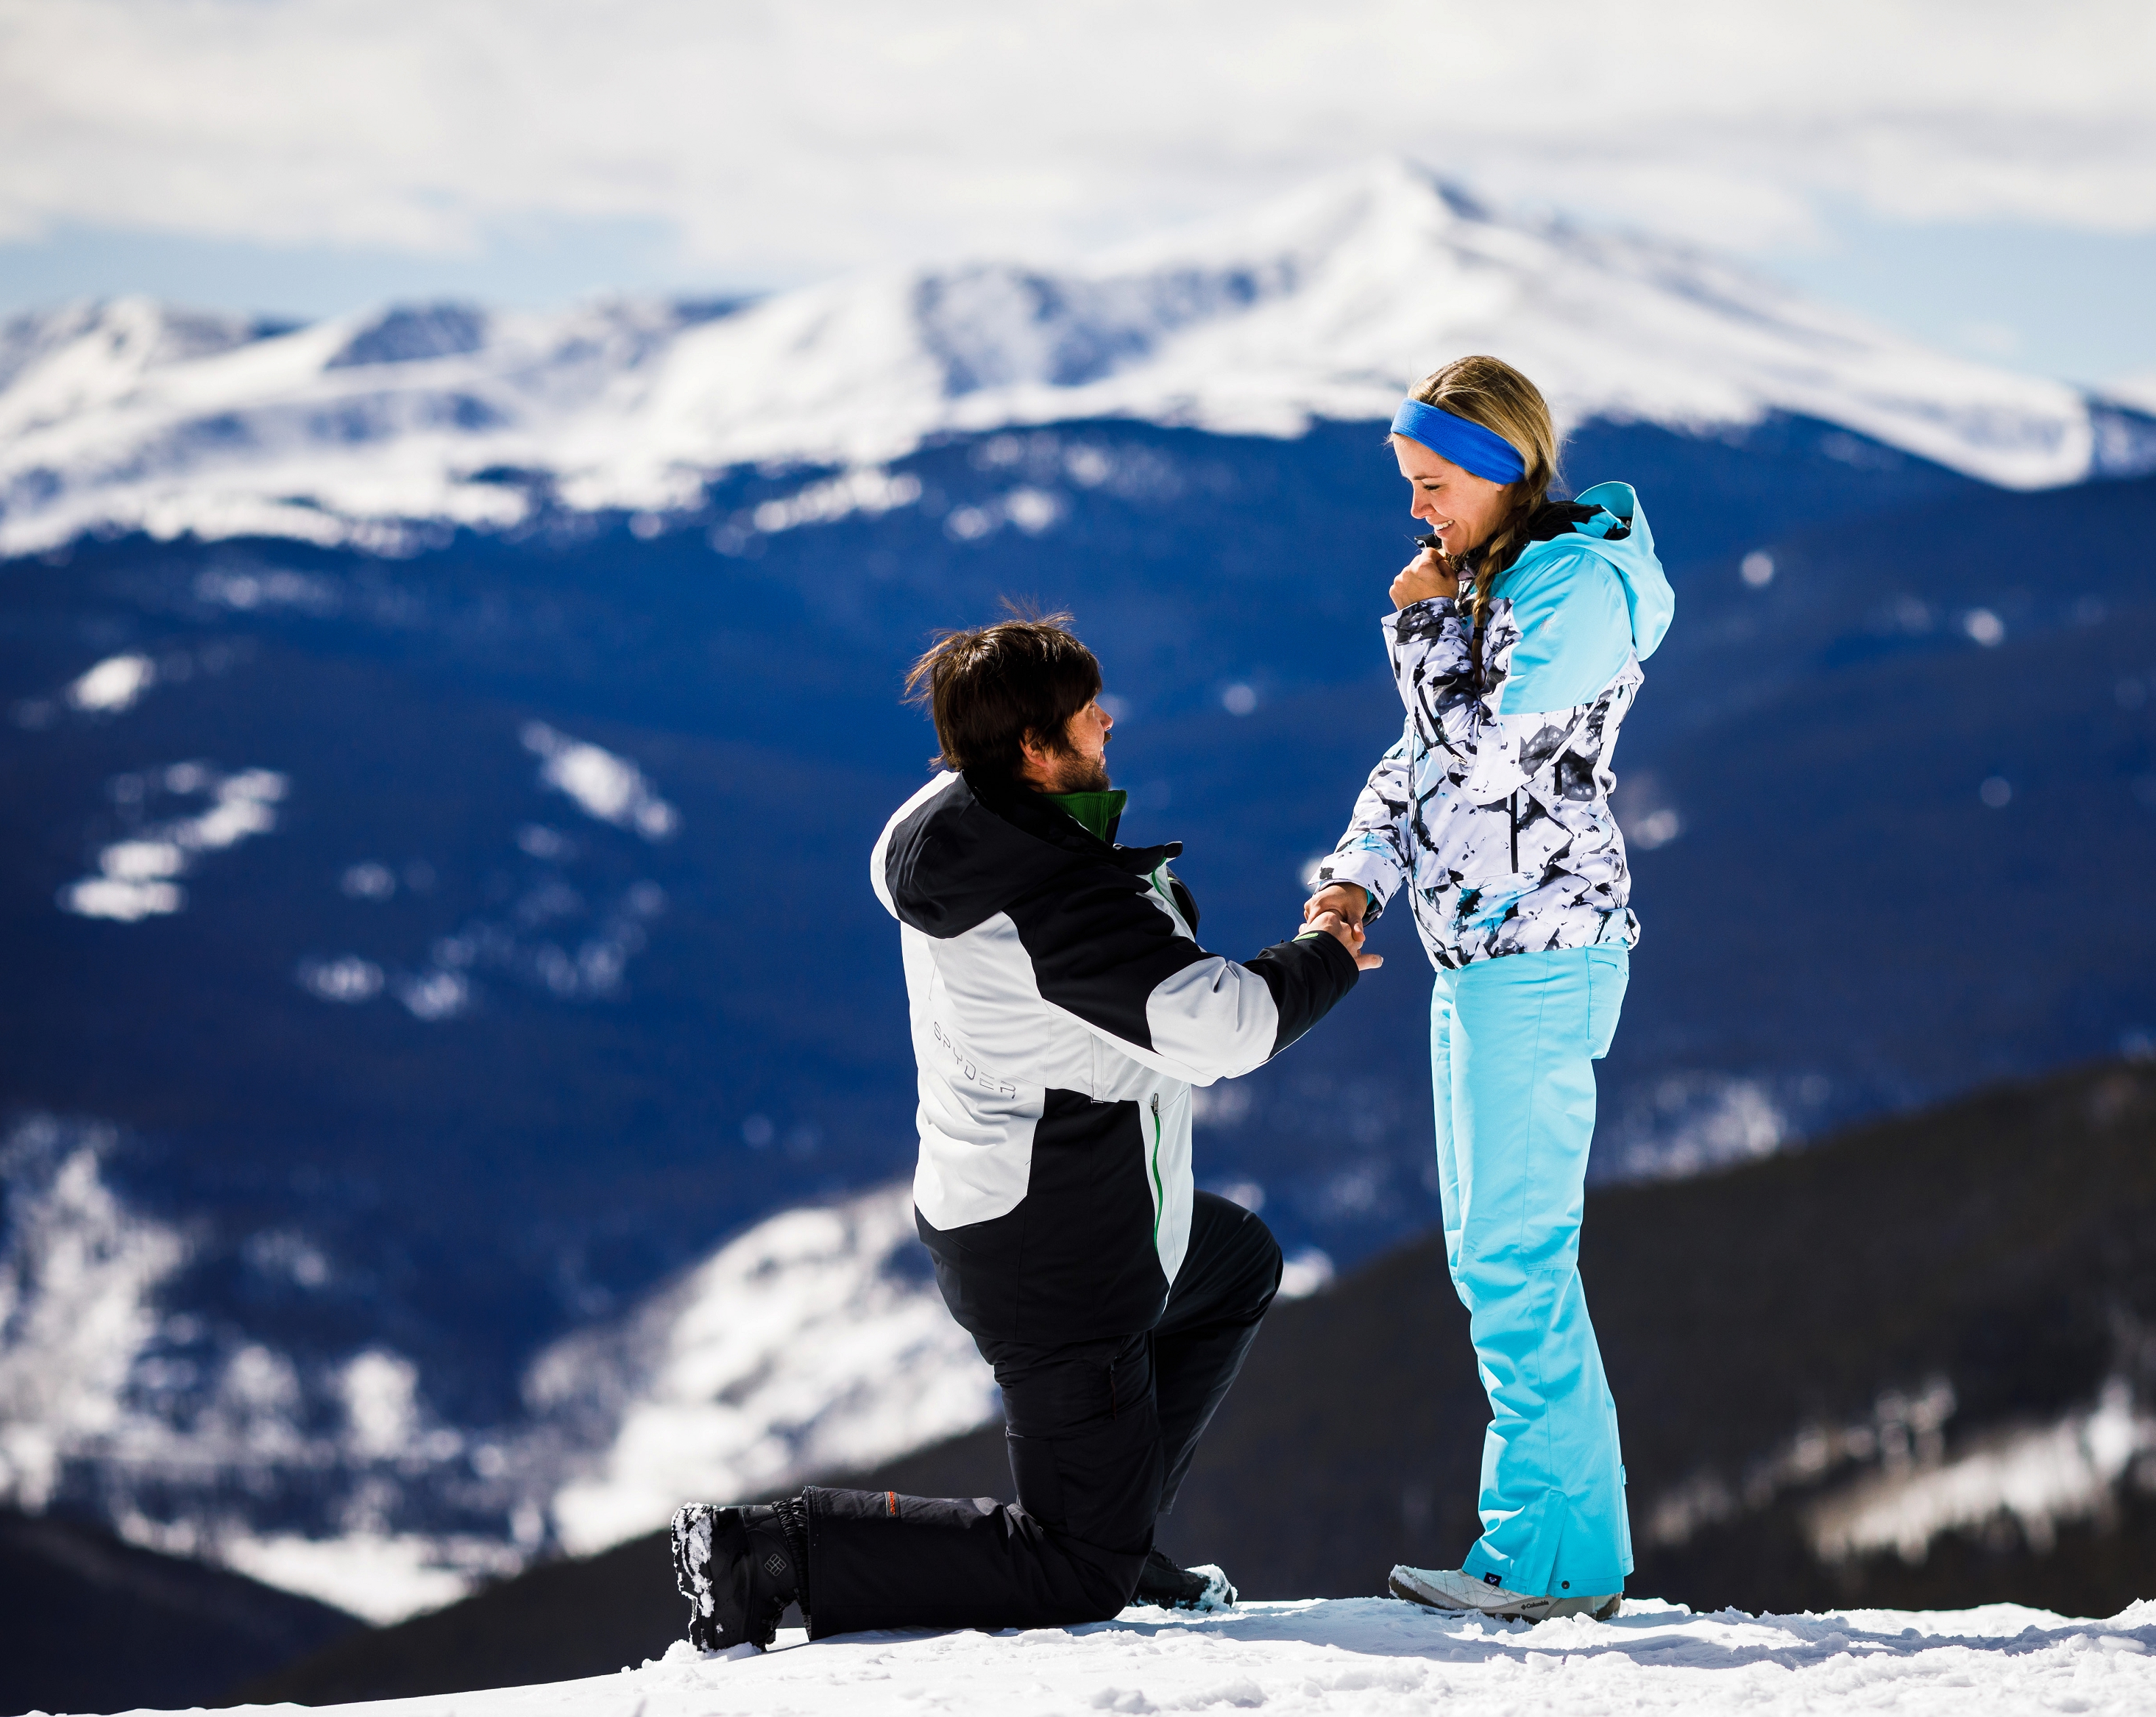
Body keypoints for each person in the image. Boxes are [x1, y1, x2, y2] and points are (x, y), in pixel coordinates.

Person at [671, 614, 1376, 1646]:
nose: (1106, 718)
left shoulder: (963, 820)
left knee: (1235, 1264)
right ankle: (768, 1552)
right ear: (1033, 752)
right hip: (1060, 1256)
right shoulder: (1047, 902)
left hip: (1052, 1208)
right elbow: (1222, 1023)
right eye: (1083, 712)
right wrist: (1322, 949)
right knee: (1072, 1570)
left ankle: (1122, 1532)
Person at [1305, 355, 1674, 1623]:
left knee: (1517, 1259)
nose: (1419, 510)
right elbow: (1420, 761)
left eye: (1435, 483)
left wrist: (1415, 621)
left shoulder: (1570, 589)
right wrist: (1355, 876)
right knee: (1497, 1261)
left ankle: (1550, 1565)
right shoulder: (1496, 579)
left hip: (1540, 960)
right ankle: (1558, 1552)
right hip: (1486, 962)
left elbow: (1484, 742)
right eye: (1409, 484)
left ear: (1508, 466)